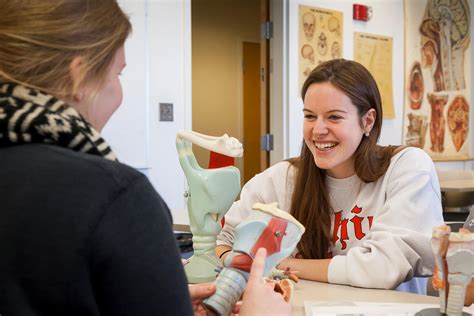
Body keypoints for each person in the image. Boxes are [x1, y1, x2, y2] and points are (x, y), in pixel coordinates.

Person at [0, 1, 290, 315]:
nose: (119, 93)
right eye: (118, 74)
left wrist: (159, 297)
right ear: (79, 75)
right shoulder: (115, 196)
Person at [217, 59, 445, 293]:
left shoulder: (407, 167)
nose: (318, 130)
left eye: (334, 117)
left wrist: (280, 264)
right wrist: (231, 260)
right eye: (310, 116)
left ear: (368, 121)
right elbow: (224, 238)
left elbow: (381, 269)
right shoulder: (284, 178)